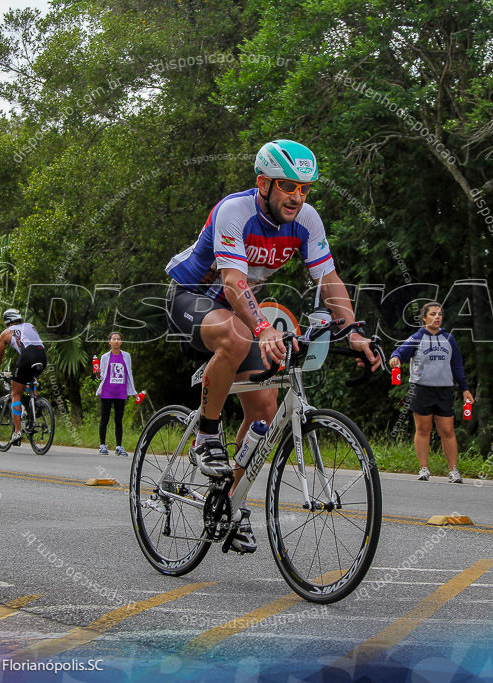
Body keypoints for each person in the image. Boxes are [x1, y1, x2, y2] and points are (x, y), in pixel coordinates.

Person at [164, 139, 380, 553]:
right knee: (240, 334)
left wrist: (352, 330)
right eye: (287, 186)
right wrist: (263, 326)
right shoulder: (235, 210)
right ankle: (206, 434)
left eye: (305, 189)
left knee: (264, 410)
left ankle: (229, 502)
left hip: (238, 307)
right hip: (193, 298)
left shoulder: (307, 221)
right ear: (263, 182)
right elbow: (232, 282)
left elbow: (329, 281)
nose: (297, 197)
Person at [388, 302, 474, 483]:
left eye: (440, 314)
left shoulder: (449, 339)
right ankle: (424, 468)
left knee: (447, 430)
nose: (437, 317)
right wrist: (395, 358)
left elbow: (457, 366)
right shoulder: (417, 338)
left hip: (444, 389)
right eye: (433, 314)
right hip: (421, 389)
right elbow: (399, 352)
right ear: (424, 318)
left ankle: (453, 470)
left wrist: (465, 389)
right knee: (423, 429)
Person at [0, 308, 47, 446]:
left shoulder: (6, 333)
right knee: (29, 379)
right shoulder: (31, 326)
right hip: (42, 355)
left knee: (15, 393)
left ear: (7, 320)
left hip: (27, 356)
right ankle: (36, 402)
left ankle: (17, 431)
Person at [94, 331, 137, 456]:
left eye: (119, 339)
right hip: (107, 392)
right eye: (114, 339)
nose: (117, 341)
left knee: (119, 420)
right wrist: (97, 373)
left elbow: (129, 374)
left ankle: (119, 446)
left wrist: (133, 392)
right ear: (110, 342)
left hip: (120, 392)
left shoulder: (126, 356)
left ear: (121, 342)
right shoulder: (105, 357)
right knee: (104, 419)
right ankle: (102, 445)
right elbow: (100, 376)